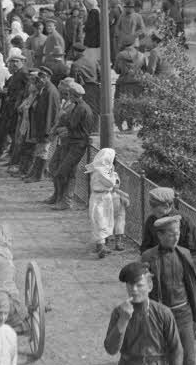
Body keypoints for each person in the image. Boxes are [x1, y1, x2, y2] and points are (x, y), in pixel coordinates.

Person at [140, 215, 196, 365]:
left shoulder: (184, 254)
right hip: (160, 318)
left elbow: (192, 288)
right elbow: (141, 291)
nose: (176, 237)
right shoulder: (148, 257)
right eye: (171, 234)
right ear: (159, 235)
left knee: (188, 363)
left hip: (183, 315)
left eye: (178, 233)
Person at [104, 260, 184, 365]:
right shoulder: (119, 312)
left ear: (149, 286)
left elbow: (176, 349)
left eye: (139, 285)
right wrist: (123, 322)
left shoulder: (163, 313)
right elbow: (111, 349)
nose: (134, 290)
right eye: (130, 286)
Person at [49, 79, 96, 210]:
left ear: (73, 94)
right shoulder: (77, 106)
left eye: (69, 93)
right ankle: (61, 199)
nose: (67, 95)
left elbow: (71, 125)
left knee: (63, 172)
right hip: (72, 142)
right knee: (64, 172)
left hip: (77, 144)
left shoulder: (81, 108)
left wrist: (61, 128)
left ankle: (66, 201)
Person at [23, 64, 62, 182]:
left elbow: (50, 113)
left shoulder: (50, 91)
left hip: (46, 129)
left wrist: (47, 131)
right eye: (40, 76)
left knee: (43, 152)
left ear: (48, 77)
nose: (40, 78)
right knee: (39, 151)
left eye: (43, 76)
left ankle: (38, 175)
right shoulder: (45, 89)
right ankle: (35, 173)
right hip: (41, 126)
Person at [139, 187, 196, 256]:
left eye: (154, 205)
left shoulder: (185, 222)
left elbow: (193, 252)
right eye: (150, 204)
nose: (151, 208)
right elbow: (145, 247)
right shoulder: (151, 220)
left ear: (166, 206)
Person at [86, 147, 122, 258]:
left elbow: (116, 183)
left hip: (106, 197)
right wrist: (113, 174)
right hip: (99, 197)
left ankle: (101, 245)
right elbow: (111, 183)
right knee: (100, 220)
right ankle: (101, 246)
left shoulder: (106, 169)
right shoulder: (101, 170)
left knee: (106, 220)